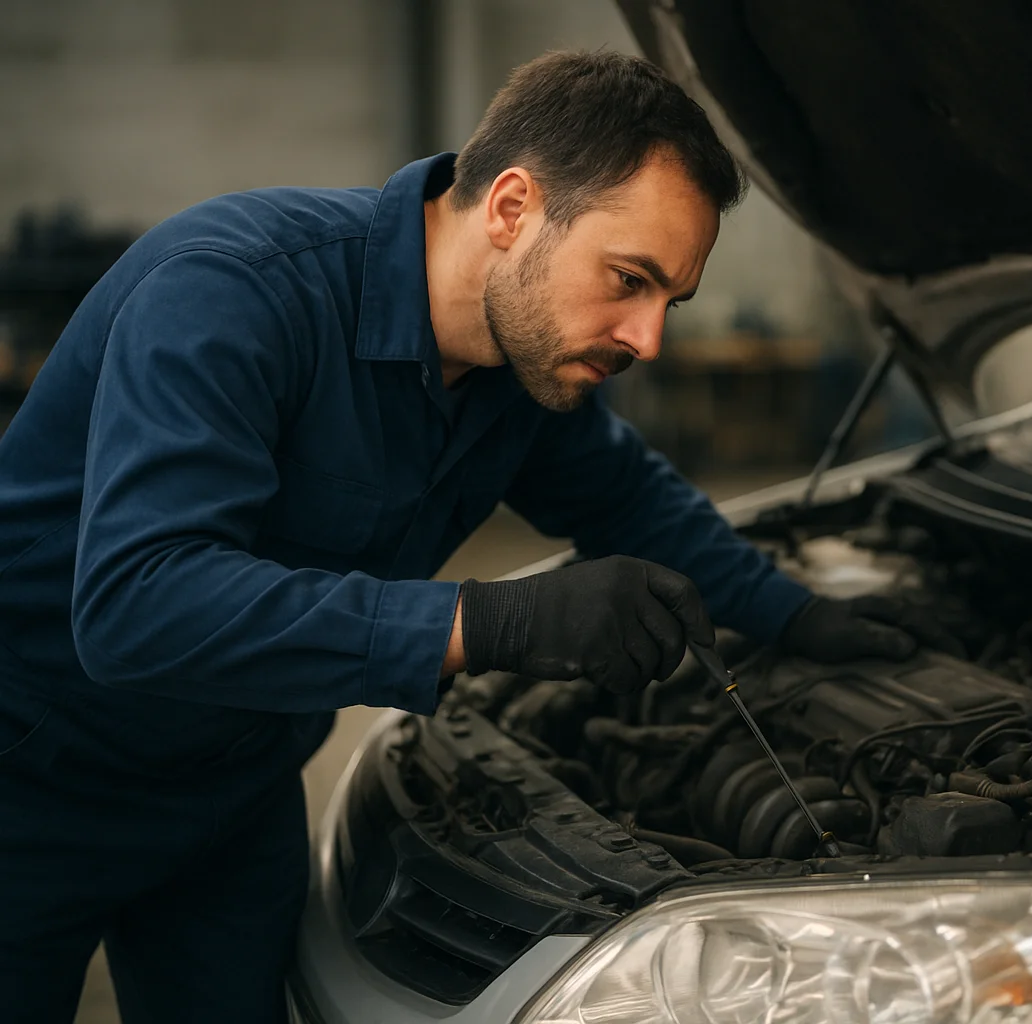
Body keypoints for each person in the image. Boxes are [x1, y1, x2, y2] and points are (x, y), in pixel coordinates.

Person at [0, 51, 936, 1022]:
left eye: (671, 301)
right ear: (511, 209)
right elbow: (136, 603)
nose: (648, 337)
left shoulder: (523, 368)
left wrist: (801, 617)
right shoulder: (233, 292)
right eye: (629, 279)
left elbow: (634, 504)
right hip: (34, 784)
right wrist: (493, 622)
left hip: (234, 789)